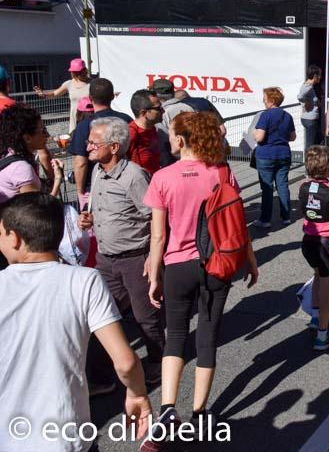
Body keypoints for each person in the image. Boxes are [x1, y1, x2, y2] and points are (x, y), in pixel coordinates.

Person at [0, 193, 152, 452]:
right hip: (69, 435)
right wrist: (138, 394)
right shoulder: (85, 280)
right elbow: (126, 361)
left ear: (15, 238)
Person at [144, 112, 260, 432]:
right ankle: (199, 411)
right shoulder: (222, 172)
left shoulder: (162, 177)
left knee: (176, 335)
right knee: (207, 337)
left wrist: (155, 276)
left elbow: (158, 236)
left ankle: (167, 408)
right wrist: (250, 259)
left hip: (178, 266)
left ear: (181, 140)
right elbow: (237, 223)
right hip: (217, 263)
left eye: (170, 134)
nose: (168, 139)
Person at [78, 117, 165, 387]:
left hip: (134, 259)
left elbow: (155, 217)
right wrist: (90, 220)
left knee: (145, 318)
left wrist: (153, 259)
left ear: (114, 147)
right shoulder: (97, 171)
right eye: (89, 141)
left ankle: (158, 361)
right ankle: (103, 378)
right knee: (100, 317)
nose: (88, 146)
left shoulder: (134, 176)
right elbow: (106, 209)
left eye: (94, 142)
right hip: (105, 259)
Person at [299, 145, 329, 351]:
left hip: (307, 240)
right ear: (328, 169)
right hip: (325, 241)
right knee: (327, 285)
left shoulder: (303, 186)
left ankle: (316, 318)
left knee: (317, 274)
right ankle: (323, 336)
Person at [70, 78, 133, 198]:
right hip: (126, 178)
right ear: (112, 97)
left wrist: (80, 192)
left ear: (90, 98)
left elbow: (80, 163)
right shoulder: (127, 119)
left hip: (96, 183)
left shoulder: (85, 125)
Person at [252, 87, 296, 229]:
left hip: (266, 155)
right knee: (283, 185)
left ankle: (265, 219)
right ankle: (286, 216)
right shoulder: (287, 116)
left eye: (265, 98)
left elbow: (259, 137)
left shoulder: (265, 115)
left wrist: (253, 132)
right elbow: (292, 137)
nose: (263, 100)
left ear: (271, 100)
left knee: (267, 188)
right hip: (283, 153)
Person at [0, 105, 63, 202]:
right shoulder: (22, 169)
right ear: (27, 138)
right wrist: (58, 179)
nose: (47, 135)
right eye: (43, 130)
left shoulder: (8, 153)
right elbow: (36, 213)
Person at [34, 57, 91, 131]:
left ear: (84, 70)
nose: (75, 74)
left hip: (89, 118)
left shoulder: (92, 84)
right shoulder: (69, 84)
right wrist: (43, 94)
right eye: (74, 72)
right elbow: (55, 93)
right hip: (74, 119)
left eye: (78, 72)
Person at [128, 89, 164, 175]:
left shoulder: (152, 128)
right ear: (144, 113)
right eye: (158, 108)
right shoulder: (131, 133)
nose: (163, 111)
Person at [298, 65, 323, 152]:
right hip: (310, 120)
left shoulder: (309, 86)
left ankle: (312, 162)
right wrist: (306, 102)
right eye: (319, 75)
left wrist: (315, 103)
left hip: (309, 119)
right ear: (315, 76)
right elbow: (300, 96)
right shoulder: (308, 87)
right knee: (310, 144)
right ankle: (309, 163)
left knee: (316, 141)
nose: (321, 77)